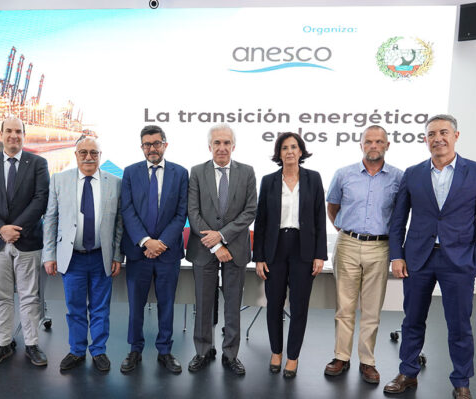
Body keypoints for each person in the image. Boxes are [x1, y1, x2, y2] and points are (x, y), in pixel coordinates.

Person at [385, 114, 476, 399]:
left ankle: (462, 384)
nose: (438, 138)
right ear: (426, 139)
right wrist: (397, 255)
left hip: (459, 262)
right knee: (412, 319)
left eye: (444, 132)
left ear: (456, 136)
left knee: (459, 325)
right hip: (418, 259)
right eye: (432, 133)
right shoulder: (413, 174)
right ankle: (408, 372)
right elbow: (398, 220)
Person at [323, 126, 403, 384]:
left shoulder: (399, 178)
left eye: (379, 141)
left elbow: (400, 215)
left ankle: (367, 361)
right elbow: (332, 207)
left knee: (371, 309)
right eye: (368, 141)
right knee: (344, 307)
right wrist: (347, 232)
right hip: (347, 244)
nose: (373, 146)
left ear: (387, 145)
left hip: (380, 247)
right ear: (361, 145)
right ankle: (341, 357)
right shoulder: (343, 174)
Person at [0, 116, 50, 368]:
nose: (13, 135)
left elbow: (41, 199)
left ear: (24, 135)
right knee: (1, 296)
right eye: (9, 131)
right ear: (1, 134)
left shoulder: (38, 163)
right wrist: (0, 228)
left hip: (28, 240)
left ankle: (32, 344)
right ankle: (3, 343)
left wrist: (16, 229)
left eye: (18, 131)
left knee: (29, 296)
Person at [43, 136, 124, 372]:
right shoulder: (59, 180)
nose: (89, 157)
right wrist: (49, 254)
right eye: (83, 152)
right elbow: (51, 218)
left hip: (101, 256)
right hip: (72, 257)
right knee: (75, 308)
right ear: (76, 155)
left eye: (94, 153)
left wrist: (117, 255)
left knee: (100, 308)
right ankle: (77, 350)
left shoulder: (115, 182)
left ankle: (98, 351)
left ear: (100, 155)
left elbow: (119, 223)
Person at [253, 132, 326, 378]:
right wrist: (259, 257)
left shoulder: (313, 178)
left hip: (303, 249)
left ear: (301, 151)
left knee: (299, 306)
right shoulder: (269, 181)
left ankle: (292, 357)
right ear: (279, 153)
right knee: (274, 304)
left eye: (294, 147)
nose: (290, 151)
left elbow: (319, 217)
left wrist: (320, 254)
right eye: (285, 148)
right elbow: (261, 221)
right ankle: (276, 352)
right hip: (275, 249)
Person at [186, 123, 257, 375]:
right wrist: (216, 244)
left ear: (233, 146)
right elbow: (193, 212)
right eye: (217, 143)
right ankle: (203, 351)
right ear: (210, 146)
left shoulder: (247, 172)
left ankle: (231, 354)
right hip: (204, 249)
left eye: (227, 143)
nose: (222, 147)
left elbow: (250, 210)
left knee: (232, 305)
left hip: (236, 248)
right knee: (204, 303)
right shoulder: (197, 172)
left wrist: (223, 235)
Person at [119, 125, 188, 374]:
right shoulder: (130, 172)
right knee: (136, 305)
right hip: (139, 252)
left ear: (165, 145)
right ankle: (135, 350)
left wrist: (161, 243)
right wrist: (146, 241)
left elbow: (181, 213)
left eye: (157, 143)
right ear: (142, 147)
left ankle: (165, 351)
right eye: (147, 144)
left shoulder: (180, 173)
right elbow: (127, 210)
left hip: (168, 253)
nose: (152, 148)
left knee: (166, 304)